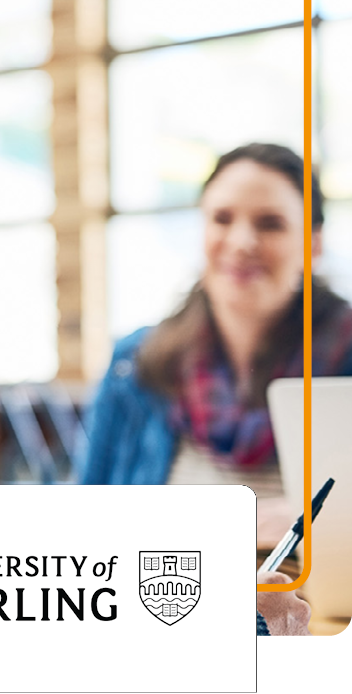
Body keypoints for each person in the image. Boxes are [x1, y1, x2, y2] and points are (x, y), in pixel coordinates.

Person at [79, 142, 352, 634]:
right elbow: (82, 535)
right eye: (222, 219)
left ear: (312, 242)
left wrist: (318, 529)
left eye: (270, 223)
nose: (242, 240)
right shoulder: (134, 365)